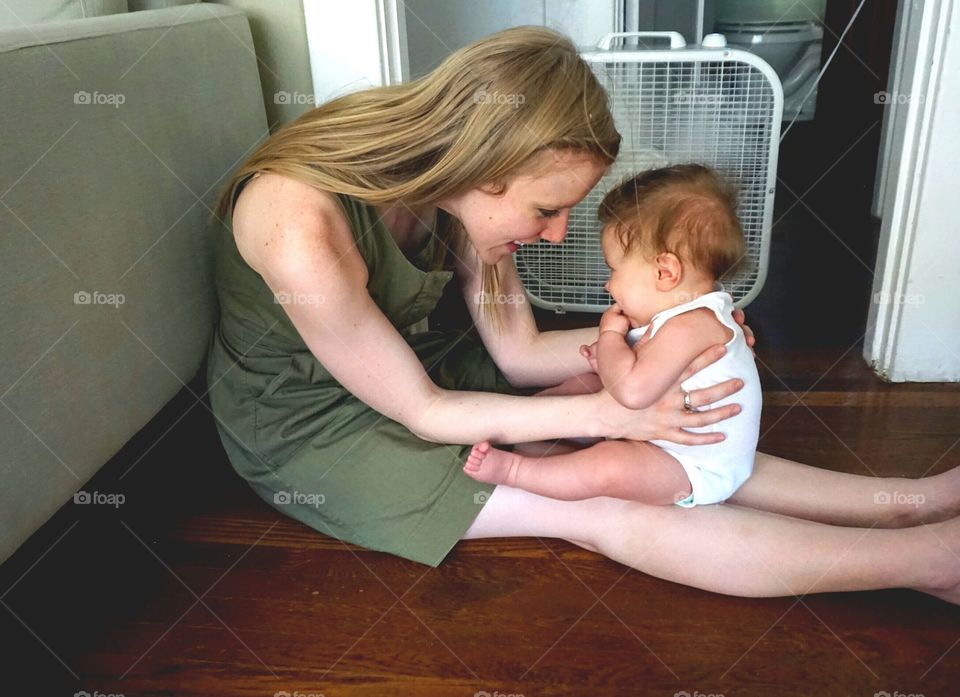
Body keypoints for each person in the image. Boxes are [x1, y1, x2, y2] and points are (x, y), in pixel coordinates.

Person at [207, 26, 960, 604]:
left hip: (420, 369)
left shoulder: (452, 188)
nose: (557, 233)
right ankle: (929, 560)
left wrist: (675, 336)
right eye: (548, 209)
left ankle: (910, 504)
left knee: (677, 442)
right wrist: (611, 410)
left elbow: (519, 352)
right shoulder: (298, 223)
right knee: (598, 498)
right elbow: (425, 411)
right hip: (316, 426)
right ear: (486, 166)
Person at [463, 164, 762, 508]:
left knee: (610, 466)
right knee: (584, 385)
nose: (608, 285)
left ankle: (516, 471)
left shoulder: (689, 326)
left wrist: (609, 338)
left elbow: (632, 392)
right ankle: (533, 432)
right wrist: (609, 361)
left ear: (664, 273)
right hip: (658, 434)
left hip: (691, 466)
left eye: (614, 269)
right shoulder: (689, 315)